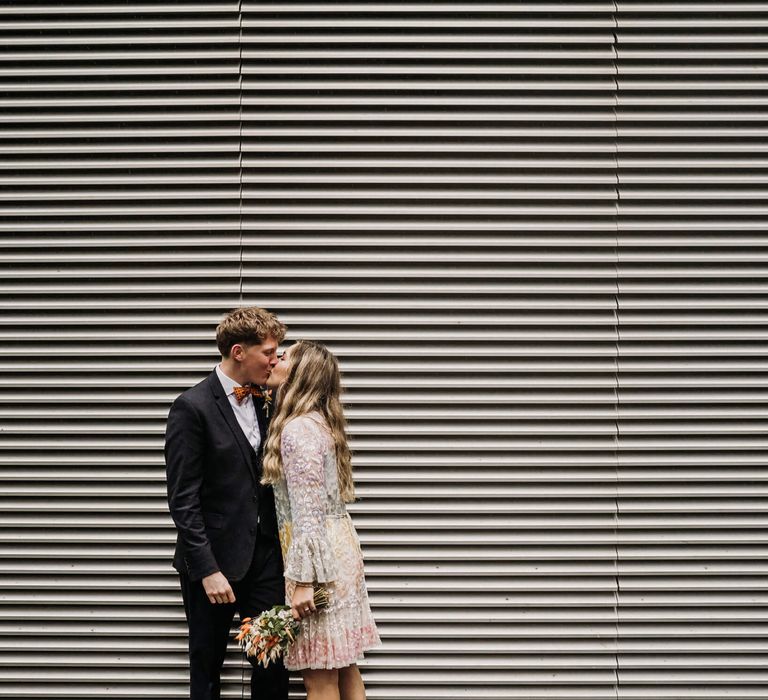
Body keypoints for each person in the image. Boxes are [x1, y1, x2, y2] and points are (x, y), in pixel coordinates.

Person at [164, 306, 289, 700]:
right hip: (212, 564)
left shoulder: (267, 399)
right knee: (207, 665)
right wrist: (207, 569)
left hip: (266, 559)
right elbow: (182, 499)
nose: (275, 358)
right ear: (239, 352)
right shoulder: (192, 407)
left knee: (272, 666)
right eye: (269, 351)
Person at [262, 340, 381, 700]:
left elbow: (308, 512)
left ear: (299, 374)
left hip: (319, 564)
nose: (275, 359)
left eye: (284, 356)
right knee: (344, 666)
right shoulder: (320, 424)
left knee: (318, 678)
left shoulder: (298, 430)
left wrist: (302, 582)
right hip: (338, 551)